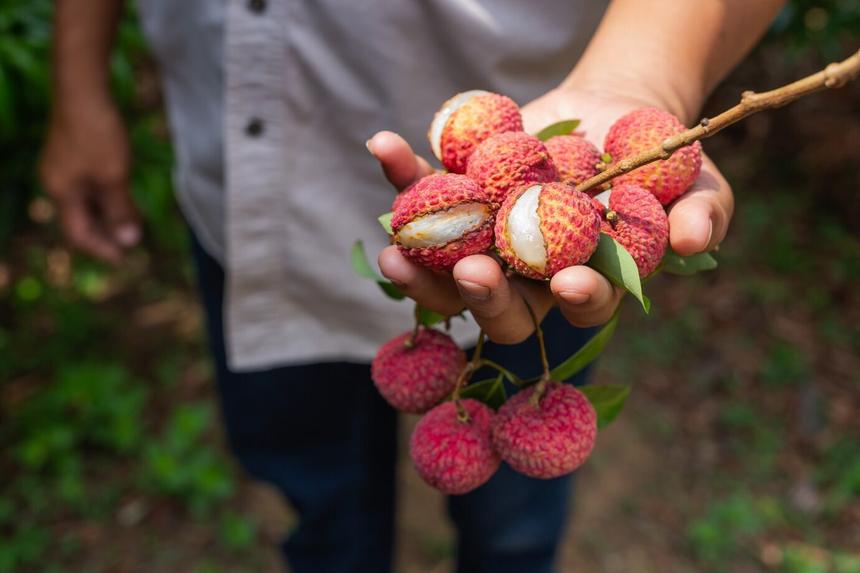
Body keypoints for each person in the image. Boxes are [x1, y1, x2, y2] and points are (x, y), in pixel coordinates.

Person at [40, 1, 784, 571]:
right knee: (315, 490)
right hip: (241, 197)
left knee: (514, 526)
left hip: (543, 252)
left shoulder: (562, 213)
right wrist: (77, 87)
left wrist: (635, 81)